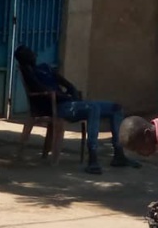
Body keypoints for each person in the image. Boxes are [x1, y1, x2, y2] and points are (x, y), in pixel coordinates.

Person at [14, 45, 139, 174]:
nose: (34, 54)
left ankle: (118, 154)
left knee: (115, 108)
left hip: (71, 105)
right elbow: (41, 90)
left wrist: (73, 94)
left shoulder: (45, 68)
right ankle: (93, 157)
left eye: (32, 52)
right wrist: (63, 96)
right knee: (93, 108)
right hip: (58, 108)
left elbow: (68, 84)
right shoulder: (29, 73)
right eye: (29, 54)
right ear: (25, 59)